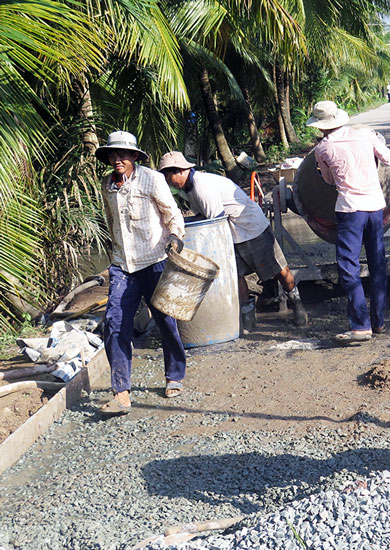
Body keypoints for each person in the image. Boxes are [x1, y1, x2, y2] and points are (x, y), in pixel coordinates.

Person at [157, 151, 308, 330]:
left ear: (182, 171)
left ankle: (298, 306)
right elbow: (201, 217)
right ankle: (248, 320)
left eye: (169, 176)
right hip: (231, 232)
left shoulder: (201, 186)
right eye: (166, 177)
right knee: (236, 276)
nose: (168, 181)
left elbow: (215, 221)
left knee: (278, 269)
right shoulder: (188, 190)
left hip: (250, 226)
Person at [95, 131, 187, 416]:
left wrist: (176, 237)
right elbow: (111, 223)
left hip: (155, 259)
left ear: (134, 156)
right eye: (113, 155)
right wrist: (113, 256)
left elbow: (171, 212)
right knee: (114, 321)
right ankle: (121, 392)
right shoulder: (107, 185)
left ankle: (174, 374)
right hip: (123, 265)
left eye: (123, 154)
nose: (117, 159)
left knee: (165, 319)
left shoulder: (152, 179)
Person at [306, 100, 390, 342]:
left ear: (319, 126)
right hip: (375, 206)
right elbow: (389, 159)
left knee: (349, 266)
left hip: (350, 210)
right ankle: (379, 322)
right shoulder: (365, 135)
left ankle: (360, 326)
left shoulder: (323, 149)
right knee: (378, 262)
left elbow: (327, 180)